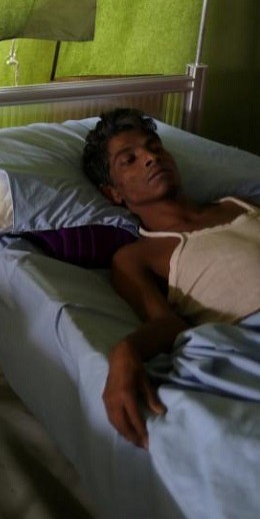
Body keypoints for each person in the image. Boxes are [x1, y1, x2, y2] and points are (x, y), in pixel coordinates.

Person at [82, 108, 260, 449]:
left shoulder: (241, 204)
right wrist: (124, 352)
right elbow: (167, 324)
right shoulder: (139, 256)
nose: (150, 157)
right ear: (113, 193)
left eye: (155, 147)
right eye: (129, 160)